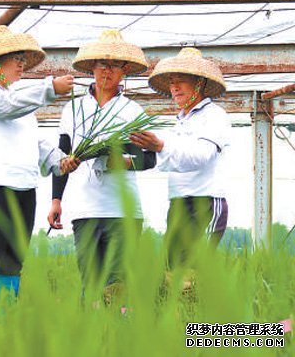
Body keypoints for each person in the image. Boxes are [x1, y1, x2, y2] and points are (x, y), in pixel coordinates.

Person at [0, 25, 79, 306]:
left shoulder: (19, 101)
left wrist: (60, 161)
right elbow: (5, 107)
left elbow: (35, 141)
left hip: (24, 188)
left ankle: (4, 326)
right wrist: (49, 88)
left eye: (23, 58)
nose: (22, 64)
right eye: (16, 58)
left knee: (12, 261)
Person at [47, 30, 156, 302]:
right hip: (85, 209)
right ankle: (92, 340)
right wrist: (56, 200)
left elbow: (149, 159)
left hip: (122, 210)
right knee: (91, 285)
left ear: (125, 71)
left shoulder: (132, 111)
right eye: (102, 64)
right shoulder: (72, 109)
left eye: (115, 65)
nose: (107, 71)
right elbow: (63, 156)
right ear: (92, 67)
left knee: (118, 286)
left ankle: (120, 339)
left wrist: (119, 162)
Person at [130, 47, 230, 269]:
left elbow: (201, 156)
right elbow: (168, 159)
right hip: (178, 203)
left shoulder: (214, 116)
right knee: (172, 273)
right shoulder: (180, 121)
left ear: (200, 83)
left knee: (193, 273)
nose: (174, 87)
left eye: (181, 80)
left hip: (205, 204)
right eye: (172, 82)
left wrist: (160, 145)